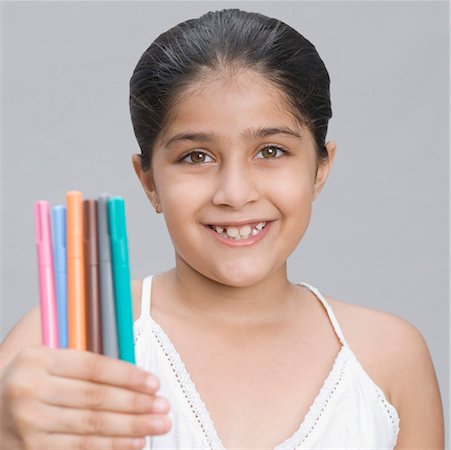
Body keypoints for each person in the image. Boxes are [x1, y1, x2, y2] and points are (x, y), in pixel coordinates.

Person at [0, 8, 444, 450]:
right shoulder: (62, 342)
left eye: (270, 151)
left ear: (320, 168)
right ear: (149, 180)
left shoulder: (388, 357)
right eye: (196, 156)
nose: (235, 193)